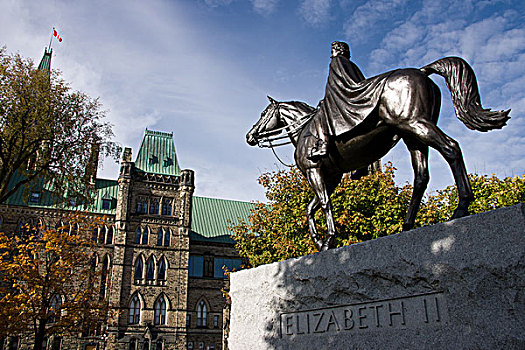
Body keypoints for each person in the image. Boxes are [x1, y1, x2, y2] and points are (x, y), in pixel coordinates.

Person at [308, 41, 366, 160]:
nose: (331, 54)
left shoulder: (336, 62)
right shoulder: (353, 66)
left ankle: (323, 145)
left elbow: (335, 86)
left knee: (318, 116)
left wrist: (325, 101)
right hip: (357, 97)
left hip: (345, 99)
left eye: (332, 50)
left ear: (338, 50)